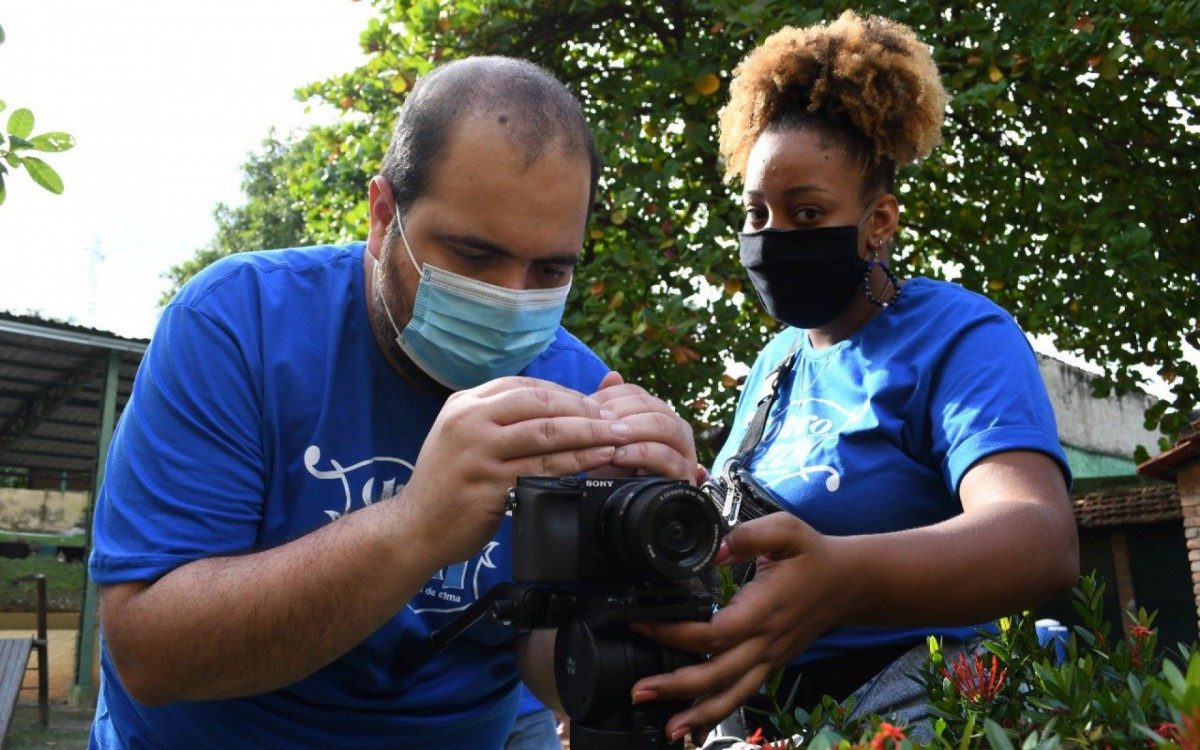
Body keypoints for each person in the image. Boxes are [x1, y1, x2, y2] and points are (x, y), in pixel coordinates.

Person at [87, 56, 697, 749]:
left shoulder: (578, 390)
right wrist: (415, 527)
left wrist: (642, 571)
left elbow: (544, 662)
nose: (511, 296)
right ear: (383, 214)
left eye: (551, 269)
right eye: (473, 254)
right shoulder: (238, 326)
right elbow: (150, 655)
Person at [627, 12, 1079, 744]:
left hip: (915, 711)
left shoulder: (960, 336)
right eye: (756, 213)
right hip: (762, 718)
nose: (773, 239)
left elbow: (1039, 539)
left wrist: (843, 578)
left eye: (807, 213)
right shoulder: (776, 364)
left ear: (879, 222)